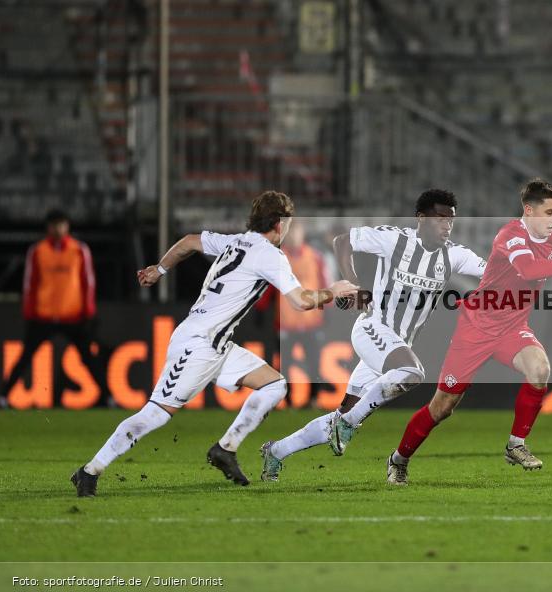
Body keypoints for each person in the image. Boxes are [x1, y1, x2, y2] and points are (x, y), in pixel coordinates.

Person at [70, 191, 358, 497]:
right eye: (287, 222)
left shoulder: (235, 241)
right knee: (155, 414)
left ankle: (226, 448)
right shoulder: (270, 255)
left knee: (275, 385)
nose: (288, 229)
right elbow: (301, 301)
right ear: (278, 223)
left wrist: (160, 269)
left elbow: (189, 242)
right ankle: (89, 471)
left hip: (218, 345)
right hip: (197, 344)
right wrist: (332, 291)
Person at [384, 178, 552, 486]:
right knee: (443, 407)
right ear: (529, 210)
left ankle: (516, 445)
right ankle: (398, 459)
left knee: (540, 368)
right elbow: (527, 271)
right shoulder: (510, 235)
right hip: (476, 327)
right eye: (550, 212)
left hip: (512, 328)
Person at [259, 189, 487, 482]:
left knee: (343, 413)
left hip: (395, 344)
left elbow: (492, 271)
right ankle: (349, 425)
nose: (446, 226)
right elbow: (344, 241)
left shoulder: (454, 255)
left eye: (450, 221)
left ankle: (276, 451)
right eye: (440, 218)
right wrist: (353, 284)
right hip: (372, 328)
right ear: (421, 218)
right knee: (412, 372)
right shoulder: (395, 239)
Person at [0, 209, 111, 408]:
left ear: (67, 226)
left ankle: (109, 397)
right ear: (48, 227)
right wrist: (30, 313)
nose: (58, 229)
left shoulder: (78, 250)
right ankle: (3, 396)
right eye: (54, 224)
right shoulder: (38, 251)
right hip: (44, 316)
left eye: (61, 224)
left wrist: (88, 312)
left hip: (72, 316)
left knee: (88, 359)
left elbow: (88, 282)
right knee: (24, 358)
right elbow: (29, 284)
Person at [255, 219, 331, 404]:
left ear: (303, 234)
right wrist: (261, 307)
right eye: (291, 232)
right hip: (286, 322)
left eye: (297, 231)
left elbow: (324, 284)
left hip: (311, 321)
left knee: (314, 362)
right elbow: (269, 286)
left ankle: (313, 399)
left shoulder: (315, 257)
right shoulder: (279, 258)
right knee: (285, 364)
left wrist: (327, 309)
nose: (294, 236)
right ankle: (287, 399)